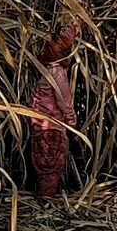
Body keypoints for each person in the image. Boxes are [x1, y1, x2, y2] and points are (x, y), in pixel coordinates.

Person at [28, 19, 80, 199]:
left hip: (39, 128)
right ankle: (45, 200)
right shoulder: (57, 73)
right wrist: (72, 121)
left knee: (43, 166)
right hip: (52, 130)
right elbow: (64, 101)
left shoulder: (44, 72)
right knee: (51, 167)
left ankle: (44, 197)